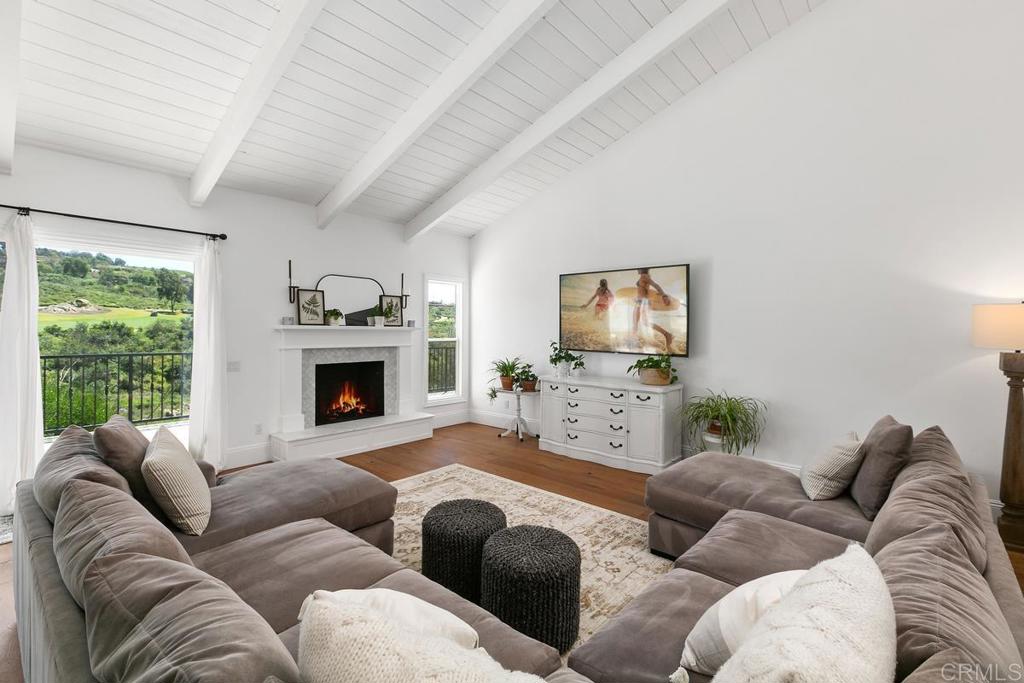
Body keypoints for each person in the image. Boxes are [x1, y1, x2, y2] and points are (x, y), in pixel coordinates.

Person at [632, 268, 674, 352]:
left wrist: (664, 296)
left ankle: (634, 342)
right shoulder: (644, 276)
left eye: (638, 268)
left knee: (636, 322)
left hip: (642, 302)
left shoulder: (644, 276)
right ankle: (667, 334)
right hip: (641, 301)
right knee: (641, 322)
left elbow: (656, 285)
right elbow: (644, 290)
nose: (637, 270)